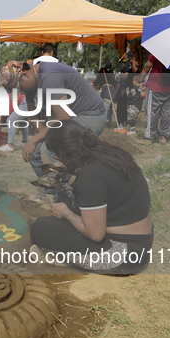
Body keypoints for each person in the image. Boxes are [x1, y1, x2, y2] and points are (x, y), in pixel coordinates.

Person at [29, 120, 153, 274]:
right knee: (65, 201)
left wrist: (65, 214)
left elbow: (96, 234)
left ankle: (63, 260)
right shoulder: (111, 154)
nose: (57, 159)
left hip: (122, 255)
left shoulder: (91, 175)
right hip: (141, 244)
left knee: (41, 227)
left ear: (63, 153)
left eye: (56, 154)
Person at [20, 54, 107, 200]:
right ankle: (51, 192)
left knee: (48, 149)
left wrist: (35, 140)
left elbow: (63, 118)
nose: (21, 91)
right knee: (37, 151)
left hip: (91, 115)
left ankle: (64, 197)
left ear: (25, 74)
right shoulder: (30, 85)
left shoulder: (49, 76)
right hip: (71, 118)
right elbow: (34, 116)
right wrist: (43, 139)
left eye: (19, 86)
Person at [139, 55, 170, 145]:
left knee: (152, 112)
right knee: (168, 113)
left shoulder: (159, 51)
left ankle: (148, 137)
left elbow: (147, 67)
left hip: (156, 86)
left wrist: (141, 80)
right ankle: (163, 137)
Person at [0, 61, 30, 152]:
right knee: (22, 121)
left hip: (23, 101)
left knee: (10, 120)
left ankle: (9, 145)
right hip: (25, 98)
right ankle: (24, 141)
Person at [92, 62, 118, 126]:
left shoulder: (103, 73)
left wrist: (96, 83)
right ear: (111, 67)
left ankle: (104, 124)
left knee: (105, 106)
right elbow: (115, 83)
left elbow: (96, 82)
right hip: (112, 89)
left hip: (106, 88)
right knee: (109, 107)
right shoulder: (113, 74)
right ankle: (108, 123)